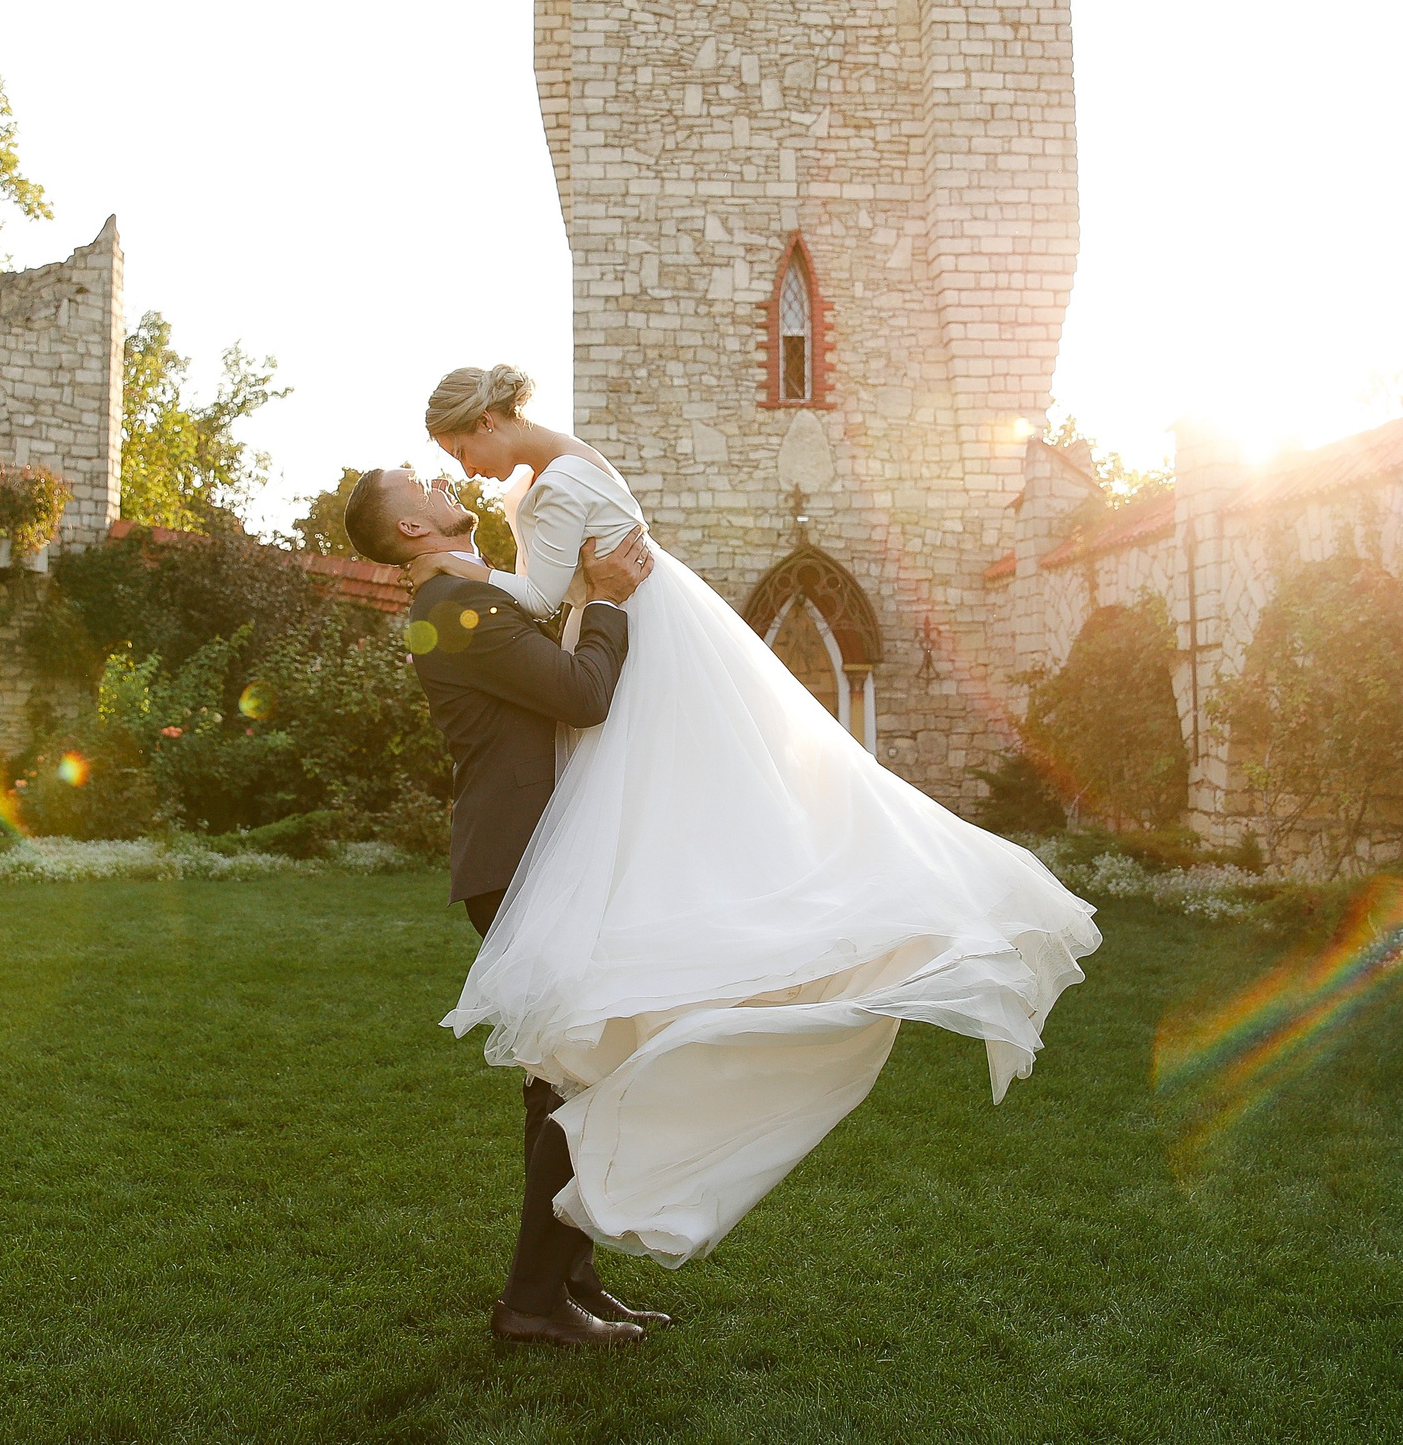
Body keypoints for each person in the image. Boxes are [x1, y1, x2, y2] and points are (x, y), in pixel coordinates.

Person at [387, 364, 1103, 1273]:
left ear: (490, 420)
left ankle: (553, 1280)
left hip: (613, 673)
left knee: (572, 1056)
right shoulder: (541, 490)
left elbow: (538, 607)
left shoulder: (550, 491)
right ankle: (550, 1280)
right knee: (571, 1059)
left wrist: (514, 576)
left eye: (460, 448)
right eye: (444, 465)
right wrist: (527, 583)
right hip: (588, 712)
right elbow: (546, 616)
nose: (465, 468)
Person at [342, 467, 667, 1347]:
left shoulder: (464, 598)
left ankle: (567, 1279)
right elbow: (582, 694)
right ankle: (531, 1302)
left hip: (524, 855)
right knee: (580, 1071)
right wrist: (609, 601)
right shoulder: (453, 605)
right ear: (412, 527)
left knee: (559, 1075)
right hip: (522, 860)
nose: (449, 484)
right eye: (428, 485)